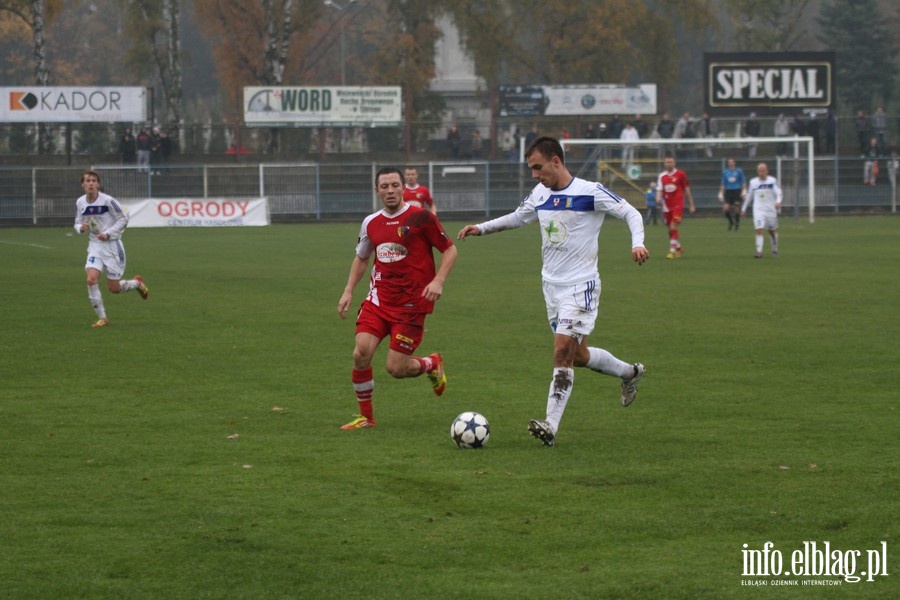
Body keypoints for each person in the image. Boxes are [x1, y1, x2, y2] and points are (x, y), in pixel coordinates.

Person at [456, 136, 648, 447]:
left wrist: (637, 243)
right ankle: (630, 372)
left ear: (556, 161)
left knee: (561, 353)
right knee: (579, 355)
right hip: (551, 288)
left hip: (581, 285)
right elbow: (518, 217)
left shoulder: (589, 192)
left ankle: (550, 425)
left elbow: (631, 212)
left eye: (538, 167)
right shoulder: (540, 193)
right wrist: (482, 227)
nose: (535, 174)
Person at [337, 167, 458, 430]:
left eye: (394, 185)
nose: (390, 190)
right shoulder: (370, 222)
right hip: (378, 301)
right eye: (384, 186)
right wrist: (348, 290)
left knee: (396, 368)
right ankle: (366, 418)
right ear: (377, 190)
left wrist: (438, 281)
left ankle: (430, 363)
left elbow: (450, 250)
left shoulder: (421, 218)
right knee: (361, 353)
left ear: (403, 188)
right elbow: (362, 257)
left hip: (412, 305)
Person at [73, 170, 149, 328]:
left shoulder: (108, 201)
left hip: (112, 246)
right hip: (95, 245)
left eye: (94, 180)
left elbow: (123, 219)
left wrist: (107, 234)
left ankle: (136, 283)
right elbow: (77, 222)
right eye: (87, 181)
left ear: (98, 184)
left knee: (114, 288)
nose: (91, 183)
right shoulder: (80, 202)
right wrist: (81, 227)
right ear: (83, 185)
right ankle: (103, 318)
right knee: (91, 279)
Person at [656, 154, 696, 259]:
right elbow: (660, 190)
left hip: (678, 205)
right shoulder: (662, 176)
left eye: (671, 162)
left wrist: (691, 204)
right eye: (668, 162)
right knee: (670, 229)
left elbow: (687, 190)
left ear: (674, 163)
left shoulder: (680, 174)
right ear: (665, 163)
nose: (669, 164)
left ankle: (672, 251)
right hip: (666, 206)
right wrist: (658, 198)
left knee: (673, 225)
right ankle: (679, 248)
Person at [741, 163, 783, 258]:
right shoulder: (753, 182)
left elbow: (779, 193)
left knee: (772, 231)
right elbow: (749, 197)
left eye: (763, 171)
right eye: (760, 171)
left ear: (767, 171)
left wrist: (778, 202)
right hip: (758, 210)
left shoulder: (772, 181)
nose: (762, 173)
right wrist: (743, 209)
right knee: (759, 229)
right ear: (757, 172)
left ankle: (775, 249)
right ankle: (759, 252)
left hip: (770, 210)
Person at [718, 157, 747, 231]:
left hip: (737, 191)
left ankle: (737, 222)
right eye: (729, 162)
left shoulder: (739, 171)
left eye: (732, 162)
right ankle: (731, 222)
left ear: (734, 163)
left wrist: (744, 191)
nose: (730, 163)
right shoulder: (725, 172)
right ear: (728, 164)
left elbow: (743, 182)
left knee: (736, 208)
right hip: (728, 192)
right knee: (725, 208)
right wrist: (721, 192)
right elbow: (723, 184)